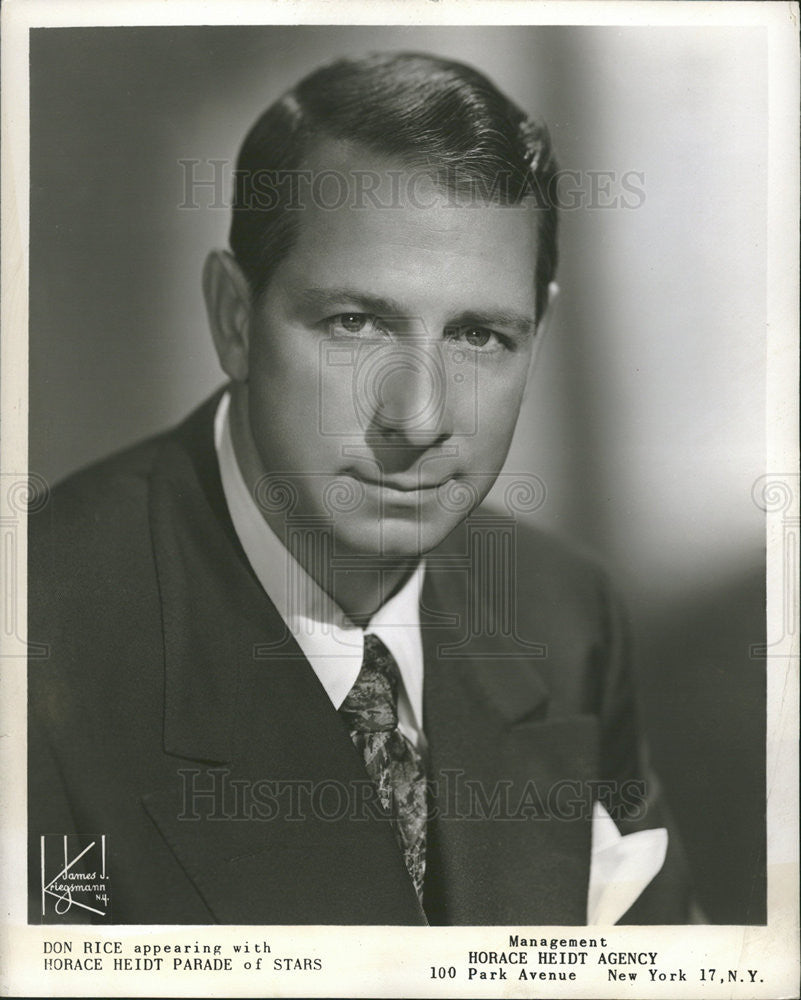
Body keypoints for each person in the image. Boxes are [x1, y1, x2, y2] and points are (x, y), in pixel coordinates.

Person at [28, 52, 691, 925]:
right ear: (234, 319)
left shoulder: (563, 617)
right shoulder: (34, 637)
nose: (416, 419)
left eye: (479, 336)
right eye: (354, 323)